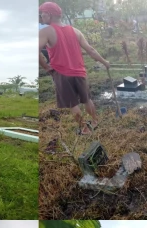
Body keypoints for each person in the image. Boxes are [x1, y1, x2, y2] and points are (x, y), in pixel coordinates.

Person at [39, 2, 111, 136]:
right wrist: (104, 62)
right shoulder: (75, 30)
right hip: (80, 72)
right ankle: (95, 122)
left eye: (42, 13)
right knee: (87, 99)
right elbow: (90, 50)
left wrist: (46, 67)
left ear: (49, 14)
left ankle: (84, 128)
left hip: (61, 73)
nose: (41, 16)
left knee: (73, 104)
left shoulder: (46, 31)